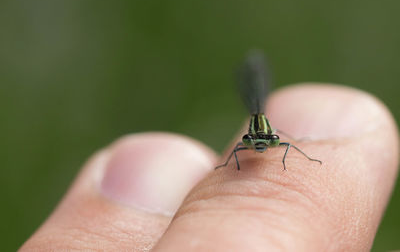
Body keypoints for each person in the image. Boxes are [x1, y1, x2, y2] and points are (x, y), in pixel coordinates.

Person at [20, 84, 399, 251]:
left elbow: (285, 145)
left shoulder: (274, 138)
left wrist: (302, 160)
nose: (262, 144)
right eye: (260, 139)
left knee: (287, 147)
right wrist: (231, 168)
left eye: (264, 140)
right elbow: (239, 150)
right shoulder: (250, 139)